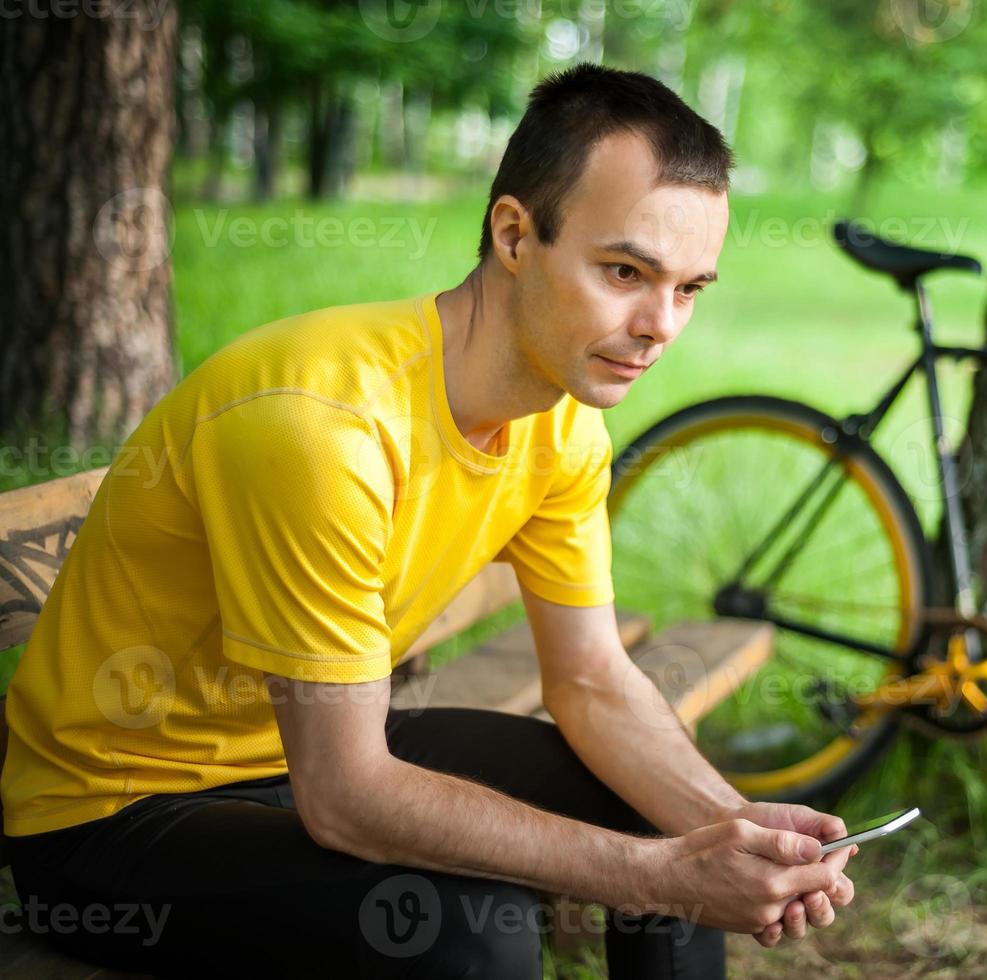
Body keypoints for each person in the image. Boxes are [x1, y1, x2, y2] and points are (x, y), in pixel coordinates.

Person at [0, 63, 856, 979]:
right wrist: (660, 879)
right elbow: (348, 798)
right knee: (467, 925)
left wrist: (735, 827)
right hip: (111, 820)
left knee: (660, 807)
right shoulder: (320, 425)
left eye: (689, 288)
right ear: (515, 235)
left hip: (300, 755)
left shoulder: (564, 426)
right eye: (624, 271)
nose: (658, 325)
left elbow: (595, 682)